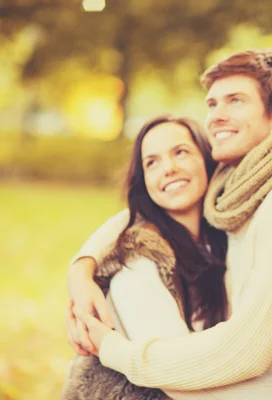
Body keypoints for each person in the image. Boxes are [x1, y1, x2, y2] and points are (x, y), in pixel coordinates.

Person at [66, 49, 272, 399]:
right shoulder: (243, 194)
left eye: (235, 100)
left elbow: (246, 350)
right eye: (212, 104)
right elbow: (145, 211)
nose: (217, 116)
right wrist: (82, 267)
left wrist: (113, 349)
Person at [62, 115, 228, 400]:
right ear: (144, 182)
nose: (169, 169)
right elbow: (179, 374)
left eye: (181, 152)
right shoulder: (138, 264)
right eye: (152, 162)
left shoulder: (220, 242)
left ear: (207, 159)